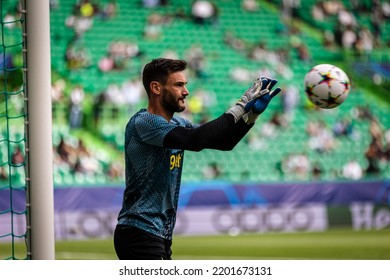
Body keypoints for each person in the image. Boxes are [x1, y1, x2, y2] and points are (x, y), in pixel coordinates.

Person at [113, 58, 281, 260]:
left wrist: (250, 116)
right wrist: (240, 105)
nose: (186, 91)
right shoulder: (144, 122)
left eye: (185, 85)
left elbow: (224, 143)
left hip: (158, 234)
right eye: (178, 85)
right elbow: (196, 140)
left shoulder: (177, 122)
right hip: (139, 231)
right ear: (156, 88)